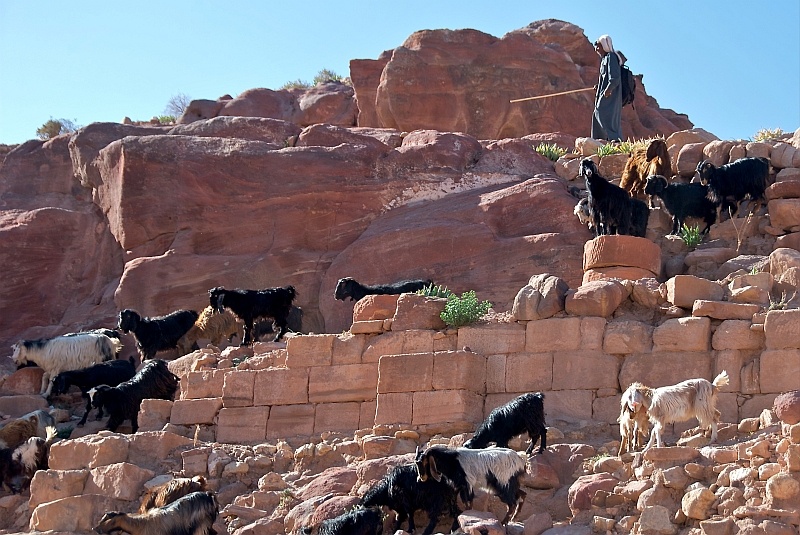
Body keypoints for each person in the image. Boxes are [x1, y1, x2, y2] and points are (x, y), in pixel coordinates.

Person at [591, 34, 624, 142]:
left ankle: (615, 139)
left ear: (604, 46)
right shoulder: (605, 59)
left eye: (598, 46)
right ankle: (600, 141)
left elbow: (614, 77)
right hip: (605, 93)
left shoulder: (611, 57)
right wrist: (599, 86)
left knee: (603, 113)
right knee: (597, 113)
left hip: (610, 95)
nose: (596, 49)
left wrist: (609, 89)